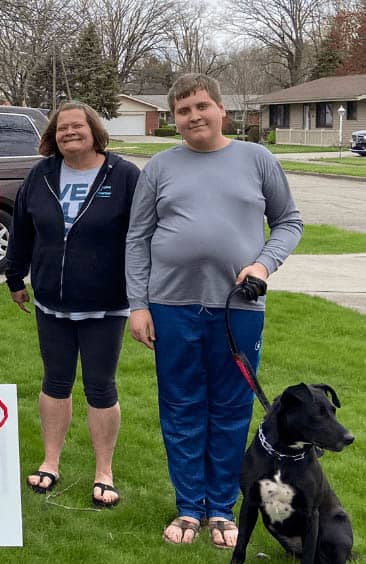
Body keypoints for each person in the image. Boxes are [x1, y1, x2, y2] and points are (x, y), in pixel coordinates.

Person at [125, 74, 303, 547]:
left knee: (230, 407)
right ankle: (188, 508)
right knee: (181, 407)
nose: (193, 117)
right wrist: (138, 305)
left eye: (201, 106)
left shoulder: (257, 159)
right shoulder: (159, 168)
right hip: (170, 306)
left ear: (221, 109)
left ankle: (222, 509)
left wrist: (264, 265)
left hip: (238, 310)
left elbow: (289, 221)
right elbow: (137, 238)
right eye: (183, 111)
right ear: (173, 119)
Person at [5, 101, 139, 508]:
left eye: (77, 126)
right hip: (52, 303)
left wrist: (143, 292)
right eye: (61, 128)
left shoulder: (124, 175)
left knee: (100, 387)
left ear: (94, 130)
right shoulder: (41, 174)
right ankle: (50, 462)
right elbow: (23, 230)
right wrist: (14, 277)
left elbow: (141, 236)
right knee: (55, 382)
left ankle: (104, 472)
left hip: (106, 303)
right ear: (53, 135)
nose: (69, 133)